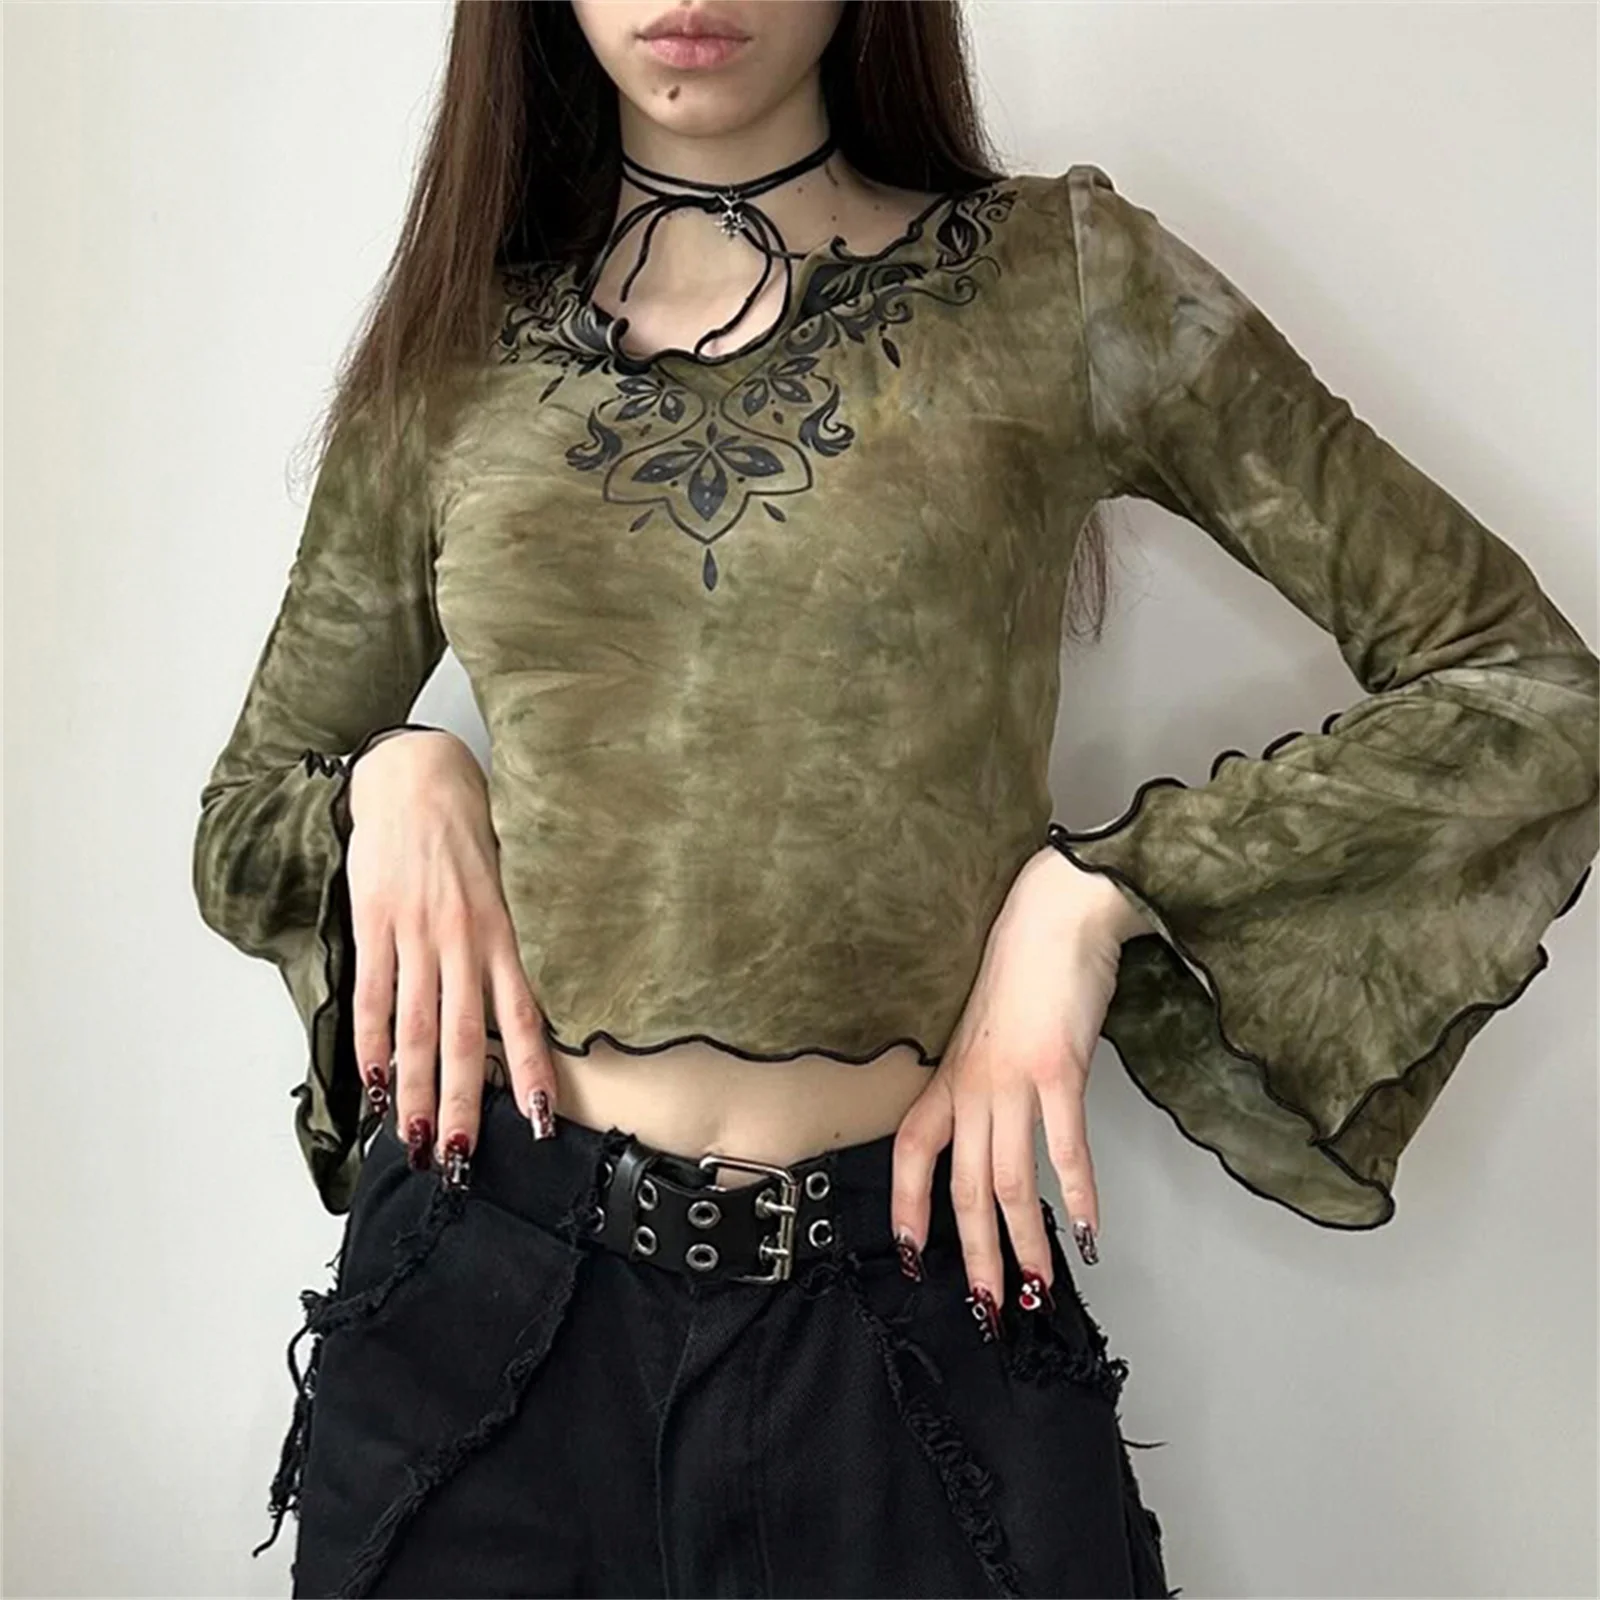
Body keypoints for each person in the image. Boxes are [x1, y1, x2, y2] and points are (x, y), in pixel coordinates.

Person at [190, 2, 1598, 1596]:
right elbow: (244, 816)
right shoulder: (460, 351)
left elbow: (1527, 690)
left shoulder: (1063, 285)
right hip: (482, 1319)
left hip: (917, 1305)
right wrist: (394, 778)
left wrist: (1101, 893)